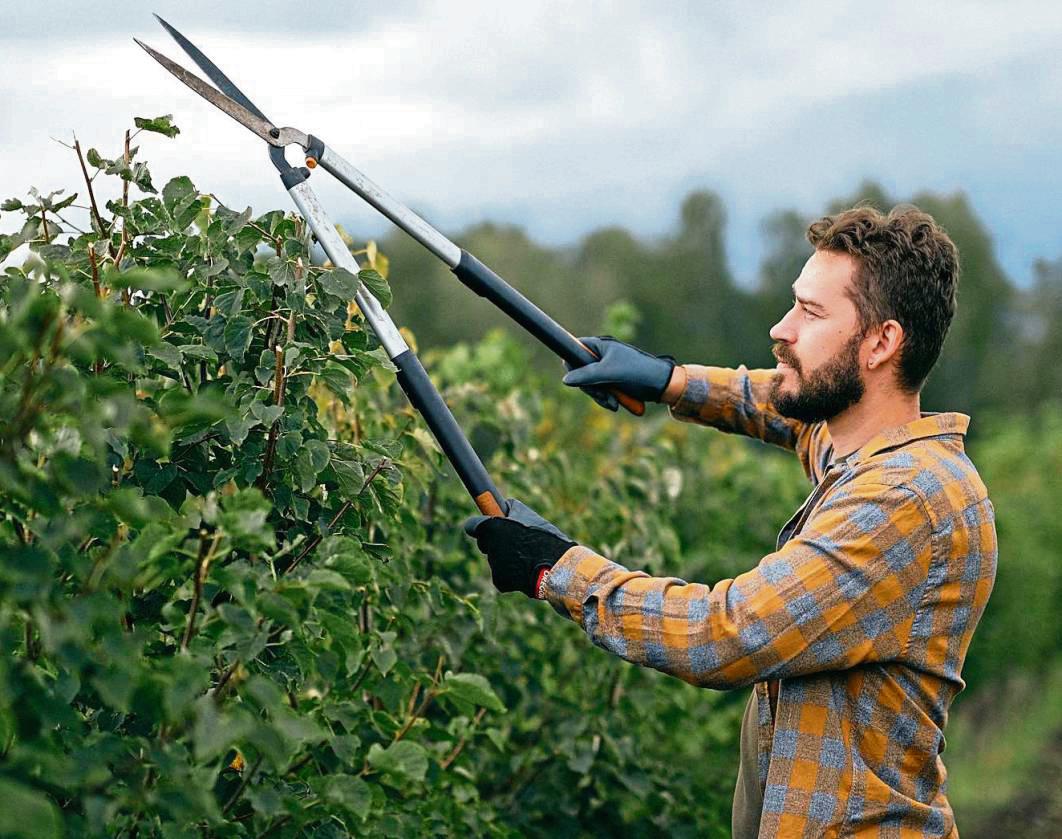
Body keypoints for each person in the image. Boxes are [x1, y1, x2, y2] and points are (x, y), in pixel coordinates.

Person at [464, 205, 997, 838]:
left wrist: (557, 568)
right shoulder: (861, 446)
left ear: (882, 342)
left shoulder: (905, 502)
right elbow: (785, 407)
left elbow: (725, 635)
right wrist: (669, 381)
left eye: (813, 313)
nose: (782, 328)